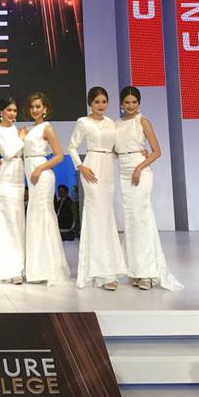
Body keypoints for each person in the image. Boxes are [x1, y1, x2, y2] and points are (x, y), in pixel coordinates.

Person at [116, 86, 183, 291]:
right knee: (131, 221)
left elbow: (156, 151)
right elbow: (115, 150)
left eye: (134, 102)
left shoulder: (143, 121)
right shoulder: (117, 124)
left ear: (139, 103)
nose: (130, 106)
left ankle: (148, 273)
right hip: (124, 171)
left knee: (142, 218)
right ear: (121, 104)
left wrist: (139, 167)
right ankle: (135, 271)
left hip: (141, 172)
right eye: (127, 102)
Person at [67, 87, 127, 290]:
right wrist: (80, 166)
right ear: (90, 103)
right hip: (91, 168)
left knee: (107, 216)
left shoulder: (111, 123)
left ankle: (110, 268)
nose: (101, 105)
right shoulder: (83, 122)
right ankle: (101, 273)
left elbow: (116, 149)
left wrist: (136, 151)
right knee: (96, 217)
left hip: (108, 168)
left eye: (104, 101)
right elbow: (72, 146)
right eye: (97, 102)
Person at [22, 93, 71, 284]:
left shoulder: (47, 128)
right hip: (32, 174)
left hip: (42, 176)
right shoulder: (27, 130)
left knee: (42, 217)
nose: (35, 110)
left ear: (45, 109)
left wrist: (39, 169)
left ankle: (48, 269)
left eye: (38, 106)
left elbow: (59, 155)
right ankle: (36, 269)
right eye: (32, 107)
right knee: (35, 218)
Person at [0, 97, 25, 284]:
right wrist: (22, 139)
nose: (12, 113)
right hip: (5, 180)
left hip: (18, 176)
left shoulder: (14, 129)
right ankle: (10, 270)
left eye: (14, 110)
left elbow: (16, 155)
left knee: (18, 221)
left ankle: (20, 267)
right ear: (1, 112)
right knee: (8, 221)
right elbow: (9, 152)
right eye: (9, 110)